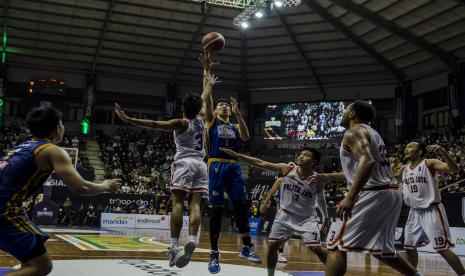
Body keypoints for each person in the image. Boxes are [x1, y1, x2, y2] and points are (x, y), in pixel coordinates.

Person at [0, 107, 121, 276]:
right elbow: (82, 187)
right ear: (57, 127)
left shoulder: (23, 146)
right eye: (62, 123)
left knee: (29, 261)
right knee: (41, 265)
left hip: (7, 206)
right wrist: (106, 186)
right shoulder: (52, 150)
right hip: (5, 210)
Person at [115, 72, 218, 268]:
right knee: (195, 205)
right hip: (201, 165)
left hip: (184, 163)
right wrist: (208, 81)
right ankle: (193, 239)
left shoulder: (180, 123)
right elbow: (203, 98)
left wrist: (128, 119)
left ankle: (173, 246)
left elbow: (154, 124)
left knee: (178, 203)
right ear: (198, 110)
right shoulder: (201, 118)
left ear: (183, 108)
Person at [311, 100, 422, 276]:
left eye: (346, 110)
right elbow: (363, 168)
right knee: (382, 250)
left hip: (374, 193)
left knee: (335, 246)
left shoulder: (353, 132)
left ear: (353, 114)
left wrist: (350, 197)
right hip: (390, 192)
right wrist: (330, 176)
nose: (343, 113)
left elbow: (367, 162)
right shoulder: (373, 133)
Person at [220, 147, 329, 276]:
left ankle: (335, 269)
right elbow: (261, 163)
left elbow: (321, 198)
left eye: (305, 155)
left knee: (316, 249)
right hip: (284, 215)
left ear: (314, 161)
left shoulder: (317, 179)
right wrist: (238, 155)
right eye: (300, 154)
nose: (301, 156)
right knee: (272, 247)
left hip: (306, 218)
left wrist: (326, 216)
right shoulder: (287, 169)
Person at [200, 53, 261, 274]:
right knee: (216, 211)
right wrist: (206, 74)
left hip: (234, 166)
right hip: (216, 165)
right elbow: (206, 99)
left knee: (241, 206)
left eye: (227, 105)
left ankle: (246, 247)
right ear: (215, 111)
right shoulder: (211, 120)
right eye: (221, 105)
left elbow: (245, 137)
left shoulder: (234, 126)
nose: (224, 107)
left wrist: (239, 115)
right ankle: (214, 253)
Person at [394, 142, 465, 275]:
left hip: (431, 210)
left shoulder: (429, 163)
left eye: (410, 147)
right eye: (406, 147)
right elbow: (396, 179)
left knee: (441, 248)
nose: (406, 149)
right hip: (414, 212)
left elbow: (454, 169)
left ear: (420, 152)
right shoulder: (404, 168)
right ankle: (414, 274)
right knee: (409, 247)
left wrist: (443, 152)